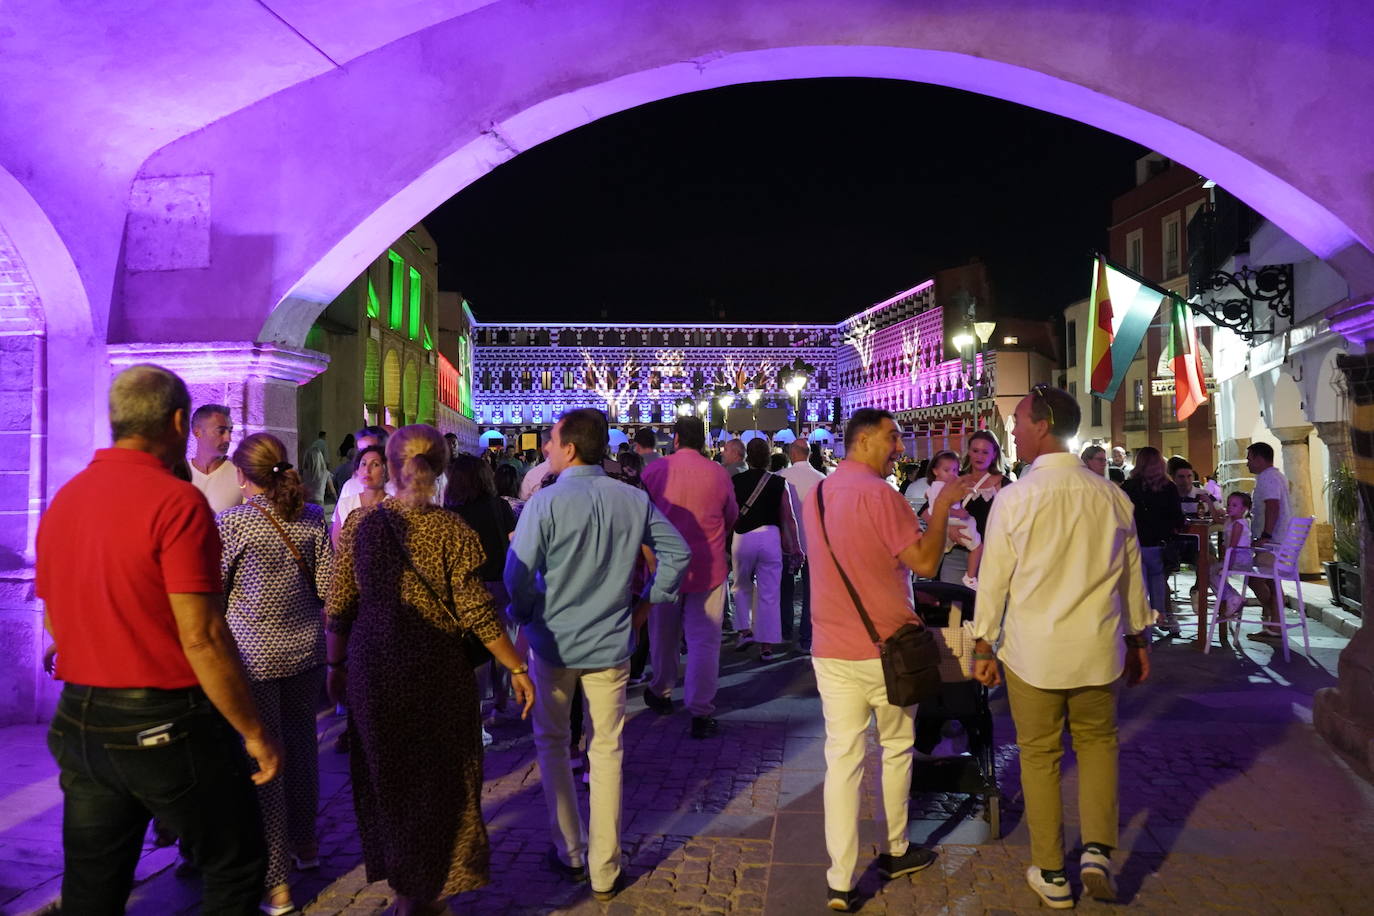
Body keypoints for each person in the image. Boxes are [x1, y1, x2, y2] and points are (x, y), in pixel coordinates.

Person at [37, 364, 280, 913]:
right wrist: (253, 730)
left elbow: (53, 620)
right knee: (236, 863)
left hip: (80, 715)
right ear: (176, 422)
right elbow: (203, 636)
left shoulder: (67, 498)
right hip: (163, 717)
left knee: (92, 888)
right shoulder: (177, 502)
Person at [326, 425, 533, 916]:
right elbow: (476, 610)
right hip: (438, 668)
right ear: (440, 468)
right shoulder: (452, 530)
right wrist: (516, 666)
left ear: (392, 467)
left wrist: (335, 664)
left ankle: (408, 889)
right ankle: (430, 891)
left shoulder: (361, 526)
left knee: (390, 781)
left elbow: (339, 604)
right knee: (444, 781)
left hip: (375, 667)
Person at [971, 385, 1153, 910]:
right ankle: (1096, 850)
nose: (1012, 429)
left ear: (1043, 424)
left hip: (1034, 651)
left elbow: (995, 580)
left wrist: (983, 643)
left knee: (1039, 754)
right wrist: (1138, 637)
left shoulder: (1015, 498)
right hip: (1098, 645)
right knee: (1097, 745)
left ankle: (1052, 871)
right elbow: (1132, 578)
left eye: (1018, 420)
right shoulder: (1111, 496)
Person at [505, 408, 691, 901]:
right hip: (610, 643)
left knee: (552, 742)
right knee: (607, 751)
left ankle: (570, 850)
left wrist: (525, 613)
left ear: (569, 449)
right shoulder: (631, 498)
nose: (546, 447)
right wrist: (647, 605)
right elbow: (677, 553)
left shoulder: (544, 503)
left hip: (553, 643)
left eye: (551, 440)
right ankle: (605, 868)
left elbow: (517, 573)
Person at [803, 408, 968, 911]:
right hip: (888, 650)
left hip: (831, 648)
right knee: (896, 747)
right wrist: (942, 509)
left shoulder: (817, 495)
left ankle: (839, 879)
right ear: (864, 441)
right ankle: (895, 848)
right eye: (893, 438)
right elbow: (924, 561)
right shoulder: (882, 495)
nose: (900, 447)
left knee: (842, 760)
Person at [218, 432, 332, 915]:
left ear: (243, 476)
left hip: (254, 660)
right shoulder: (311, 517)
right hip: (305, 653)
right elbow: (327, 586)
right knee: (302, 748)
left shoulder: (233, 523)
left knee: (264, 762)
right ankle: (306, 844)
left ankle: (277, 882)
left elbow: (214, 589)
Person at [639, 416, 739, 735]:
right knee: (704, 641)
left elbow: (641, 517)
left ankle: (662, 690)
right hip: (707, 566)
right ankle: (701, 709)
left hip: (663, 566)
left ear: (677, 439)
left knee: (663, 635)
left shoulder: (654, 471)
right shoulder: (718, 473)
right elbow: (731, 516)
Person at [444, 454, 520, 723]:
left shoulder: (450, 513)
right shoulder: (500, 506)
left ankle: (475, 706)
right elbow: (514, 543)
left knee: (473, 647)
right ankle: (502, 701)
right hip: (500, 582)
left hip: (466, 587)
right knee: (504, 641)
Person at [730, 438, 803, 662]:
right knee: (769, 592)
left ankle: (744, 630)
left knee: (741, 585)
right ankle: (767, 645)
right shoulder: (778, 483)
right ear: (768, 457)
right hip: (770, 537)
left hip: (743, 536)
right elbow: (788, 517)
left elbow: (729, 513)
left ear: (748, 457)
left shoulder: (736, 481)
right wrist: (795, 546)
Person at [1122, 447, 1185, 638]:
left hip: (1135, 544)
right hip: (1159, 544)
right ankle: (1160, 617)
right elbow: (1177, 518)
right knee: (1158, 582)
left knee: (1139, 590)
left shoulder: (1129, 486)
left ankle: (1143, 636)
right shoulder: (1169, 487)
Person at [778, 438, 826, 652]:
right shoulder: (821, 479)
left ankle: (784, 630)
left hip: (786, 543)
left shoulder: (780, 477)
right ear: (809, 454)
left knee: (785, 589)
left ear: (792, 453)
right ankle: (806, 638)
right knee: (810, 593)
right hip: (813, 544)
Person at [1244, 442, 1291, 642]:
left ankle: (1275, 619)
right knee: (1271, 582)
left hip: (1273, 542)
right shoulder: (1276, 476)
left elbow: (1273, 506)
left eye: (1249, 458)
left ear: (1259, 458)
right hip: (1278, 540)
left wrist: (1266, 535)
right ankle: (1275, 622)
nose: (1247, 463)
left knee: (1254, 579)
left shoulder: (1267, 477)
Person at [921, 451, 982, 589]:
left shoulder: (941, 485)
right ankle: (970, 577)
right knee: (978, 546)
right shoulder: (943, 486)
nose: (952, 474)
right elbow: (932, 510)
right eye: (947, 470)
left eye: (955, 470)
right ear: (935, 471)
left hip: (952, 525)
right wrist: (956, 513)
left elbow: (929, 497)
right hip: (954, 524)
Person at [188, 402, 243, 513]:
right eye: (221, 431)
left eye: (230, 431)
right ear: (197, 433)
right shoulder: (179, 473)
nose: (228, 438)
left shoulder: (241, 473)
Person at [1213, 491, 1253, 622]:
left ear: (1243, 509)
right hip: (1234, 556)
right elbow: (1217, 519)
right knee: (1210, 572)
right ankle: (1232, 598)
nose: (1230, 507)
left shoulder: (1238, 524)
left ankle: (1232, 597)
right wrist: (1208, 502)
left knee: (1213, 572)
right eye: (1229, 504)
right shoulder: (1230, 520)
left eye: (1234, 505)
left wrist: (1226, 565)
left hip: (1239, 558)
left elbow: (1233, 547)